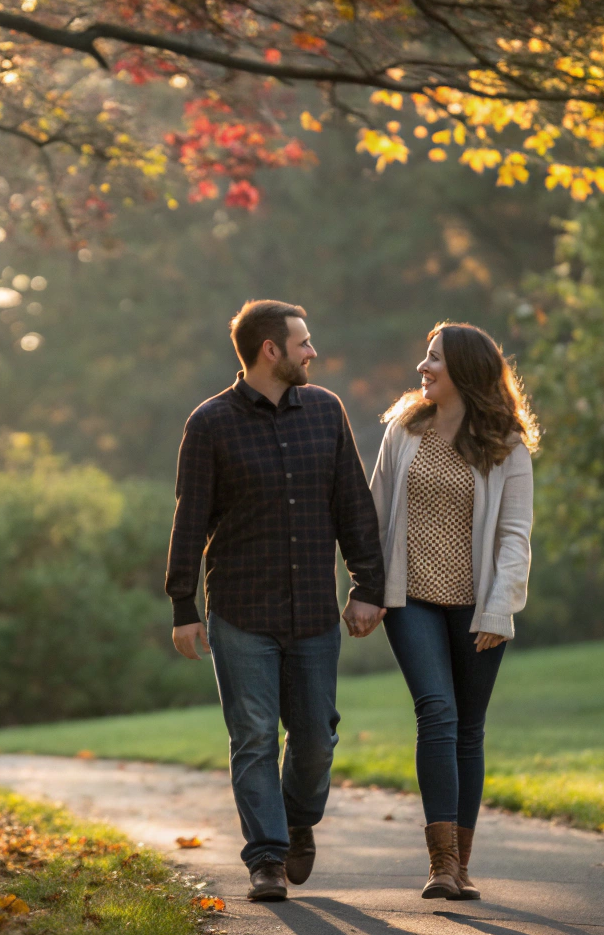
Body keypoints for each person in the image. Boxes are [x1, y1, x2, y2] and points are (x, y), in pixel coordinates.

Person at [167, 299, 387, 903]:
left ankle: (296, 820)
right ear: (271, 350)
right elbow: (190, 519)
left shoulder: (326, 410)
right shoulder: (209, 423)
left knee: (316, 738)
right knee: (255, 736)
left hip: (314, 609)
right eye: (303, 342)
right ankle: (266, 856)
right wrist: (183, 605)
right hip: (241, 612)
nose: (312, 351)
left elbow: (352, 504)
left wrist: (368, 587)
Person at [368, 322, 538, 900]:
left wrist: (499, 609)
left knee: (469, 728)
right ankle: (441, 866)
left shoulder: (507, 445)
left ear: (464, 371)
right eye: (425, 356)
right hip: (410, 598)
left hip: (478, 609)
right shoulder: (403, 430)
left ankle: (462, 866)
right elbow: (375, 515)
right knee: (437, 712)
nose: (423, 367)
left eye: (434, 358)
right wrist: (366, 587)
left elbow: (514, 536)